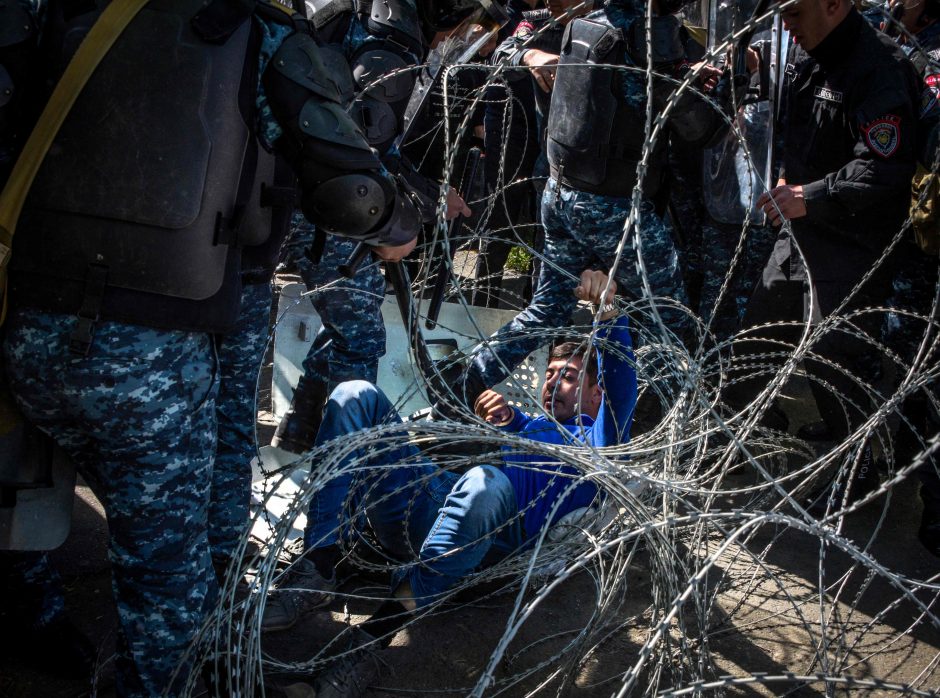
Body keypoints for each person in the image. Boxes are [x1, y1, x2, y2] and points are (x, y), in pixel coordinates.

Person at [1, 1, 506, 695]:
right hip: (148, 353)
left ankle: (45, 622)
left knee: (23, 493)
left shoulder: (77, 18)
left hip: (28, 321)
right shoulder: (258, 34)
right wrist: (398, 222)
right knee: (163, 570)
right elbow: (348, 189)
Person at [260, 270, 635, 643]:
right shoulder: (529, 424)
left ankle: (374, 635)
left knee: (484, 482)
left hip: (484, 541)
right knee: (355, 395)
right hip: (426, 506)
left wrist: (608, 315)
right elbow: (502, 433)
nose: (553, 382)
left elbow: (621, 387)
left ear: (596, 395)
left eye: (568, 377)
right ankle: (317, 566)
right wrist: (504, 420)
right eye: (550, 374)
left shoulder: (599, 442)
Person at [441, 0, 725, 413]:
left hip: (561, 192)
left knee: (546, 310)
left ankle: (459, 388)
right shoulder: (648, 32)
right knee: (670, 319)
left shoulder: (588, 23)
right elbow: (695, 126)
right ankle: (666, 429)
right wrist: (696, 85)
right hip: (610, 203)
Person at [268, 1, 484, 455]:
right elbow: (363, 157)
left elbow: (368, 146)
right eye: (465, 26)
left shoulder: (361, 22)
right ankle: (345, 457)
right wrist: (391, 227)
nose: (458, 38)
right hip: (324, 209)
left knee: (351, 327)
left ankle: (301, 428)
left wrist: (430, 195)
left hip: (297, 196)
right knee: (362, 337)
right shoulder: (389, 47)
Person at [731, 0, 920, 498]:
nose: (786, 26)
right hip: (799, 230)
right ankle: (726, 438)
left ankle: (855, 469)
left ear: (834, 5)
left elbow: (884, 169)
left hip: (851, 242)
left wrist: (807, 197)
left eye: (794, 14)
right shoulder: (806, 53)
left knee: (836, 354)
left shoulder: (879, 69)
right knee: (762, 330)